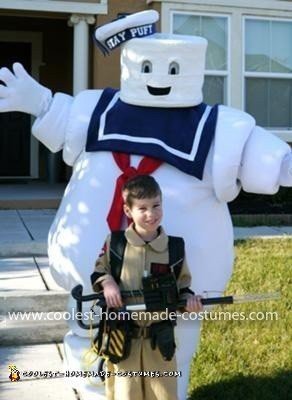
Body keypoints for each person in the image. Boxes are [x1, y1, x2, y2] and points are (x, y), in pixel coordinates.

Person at [91, 175, 202, 400]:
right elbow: (99, 271)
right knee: (125, 394)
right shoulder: (116, 243)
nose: (151, 214)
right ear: (128, 210)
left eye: (156, 205)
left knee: (162, 394)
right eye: (142, 208)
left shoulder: (174, 247)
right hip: (123, 340)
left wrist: (189, 301)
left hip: (159, 341)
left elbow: (183, 286)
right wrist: (108, 282)